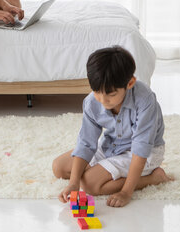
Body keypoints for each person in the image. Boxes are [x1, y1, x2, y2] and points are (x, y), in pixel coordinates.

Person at [52, 46, 173, 208]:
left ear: (130, 83)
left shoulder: (145, 101)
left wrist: (126, 192)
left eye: (111, 94)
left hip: (144, 153)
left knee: (89, 185)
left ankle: (154, 178)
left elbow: (141, 148)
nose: (103, 100)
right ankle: (99, 173)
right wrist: (73, 183)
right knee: (59, 167)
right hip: (112, 145)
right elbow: (86, 143)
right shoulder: (91, 102)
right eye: (97, 92)